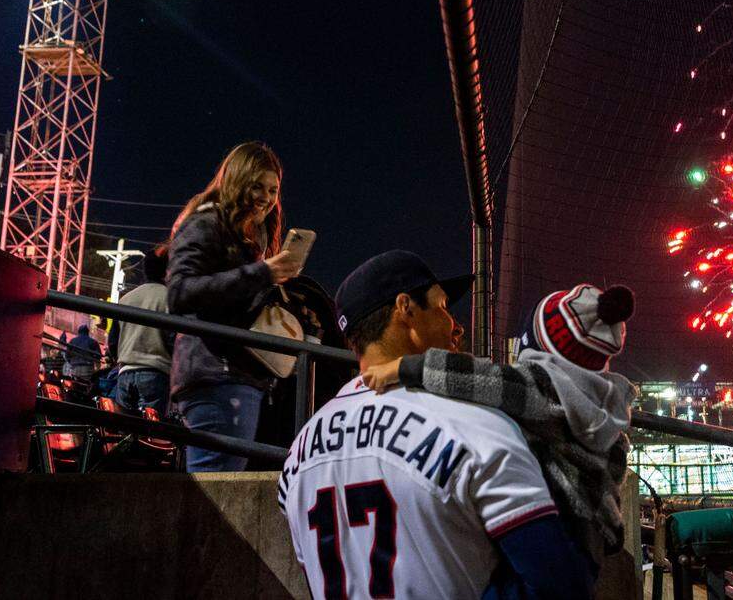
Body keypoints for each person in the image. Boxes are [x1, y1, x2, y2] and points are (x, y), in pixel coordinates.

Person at [279, 250, 591, 600]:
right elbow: (560, 588)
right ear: (406, 309)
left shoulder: (299, 452)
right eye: (442, 306)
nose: (454, 324)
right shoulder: (477, 424)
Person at [363, 283, 638, 581]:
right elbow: (616, 462)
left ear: (537, 345)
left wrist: (403, 368)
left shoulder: (541, 388)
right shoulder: (608, 402)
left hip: (559, 529)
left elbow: (476, 377)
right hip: (593, 536)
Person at [167, 142, 301, 472]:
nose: (267, 197)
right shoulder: (206, 222)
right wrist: (262, 272)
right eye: (257, 185)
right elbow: (180, 293)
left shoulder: (247, 235)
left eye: (273, 190)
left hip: (234, 376)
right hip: (217, 375)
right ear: (236, 180)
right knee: (216, 495)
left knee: (219, 489)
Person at [114, 246, 175, 417]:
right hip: (156, 374)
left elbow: (113, 341)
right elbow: (173, 340)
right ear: (167, 271)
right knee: (150, 436)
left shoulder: (126, 299)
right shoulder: (169, 298)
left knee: (124, 433)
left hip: (124, 373)